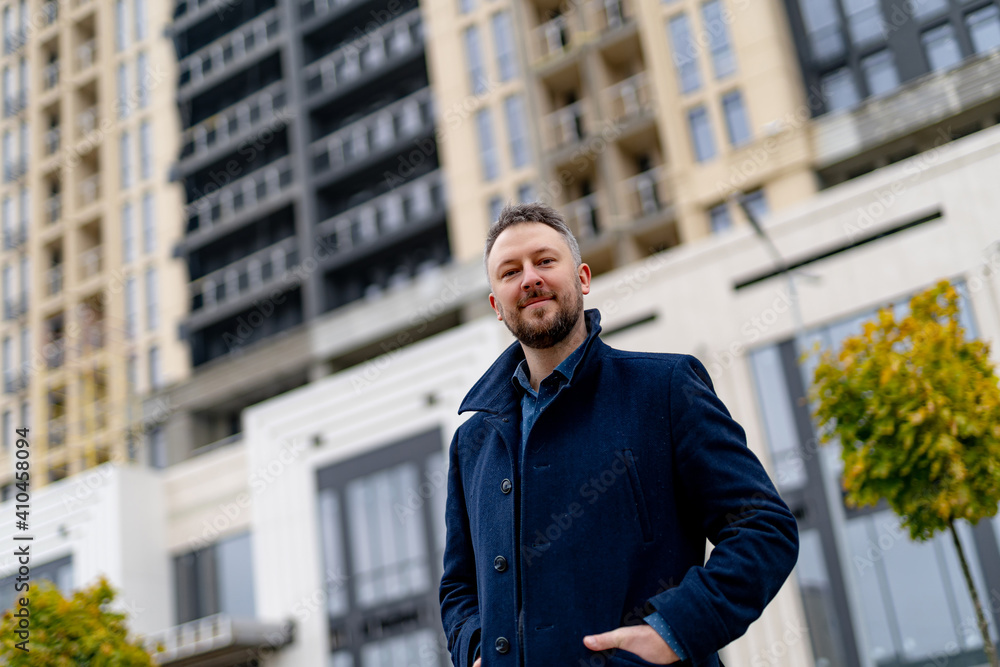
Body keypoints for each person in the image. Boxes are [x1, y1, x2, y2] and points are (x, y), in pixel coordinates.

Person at [439, 203, 799, 667]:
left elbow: (763, 528)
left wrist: (672, 631)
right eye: (510, 272)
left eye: (545, 261)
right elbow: (458, 587)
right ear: (496, 305)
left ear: (583, 278)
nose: (529, 278)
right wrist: (475, 650)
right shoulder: (472, 444)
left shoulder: (666, 388)